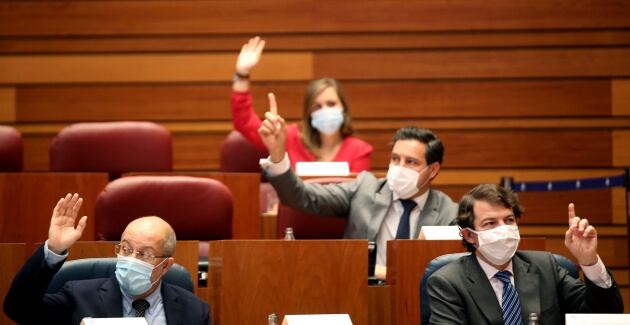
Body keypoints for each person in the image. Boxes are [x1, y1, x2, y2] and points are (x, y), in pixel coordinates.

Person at [258, 93, 458, 274]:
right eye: (395, 159)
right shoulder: (364, 189)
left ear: (433, 170)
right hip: (360, 291)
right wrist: (277, 153)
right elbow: (300, 196)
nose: (400, 167)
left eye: (411, 162)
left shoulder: (449, 214)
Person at [427, 184, 624, 324]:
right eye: (490, 223)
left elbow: (604, 316)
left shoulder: (545, 267)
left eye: (509, 220)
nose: (504, 229)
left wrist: (589, 261)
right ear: (469, 235)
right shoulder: (448, 282)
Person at [3, 193, 210, 325]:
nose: (131, 259)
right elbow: (18, 310)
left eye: (145, 254)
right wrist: (54, 250)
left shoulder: (194, 311)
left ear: (166, 266)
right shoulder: (79, 296)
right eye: (126, 249)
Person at [231, 36, 373, 172]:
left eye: (331, 104)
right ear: (309, 113)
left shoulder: (359, 151)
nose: (325, 110)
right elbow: (244, 121)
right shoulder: (290, 138)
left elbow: (358, 196)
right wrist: (242, 73)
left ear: (343, 108)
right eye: (317, 106)